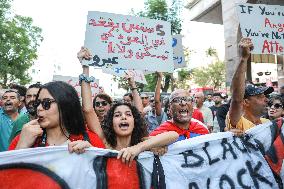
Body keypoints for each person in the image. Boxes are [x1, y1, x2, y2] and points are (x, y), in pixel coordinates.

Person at [9, 81, 104, 151]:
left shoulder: (90, 140)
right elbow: (6, 176)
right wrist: (22, 147)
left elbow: (106, 175)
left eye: (46, 103)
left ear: (66, 105)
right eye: (38, 103)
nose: (39, 108)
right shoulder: (25, 137)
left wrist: (92, 155)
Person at [226, 38, 273, 135]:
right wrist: (243, 59)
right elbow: (237, 99)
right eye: (260, 97)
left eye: (265, 96)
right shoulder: (238, 122)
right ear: (246, 102)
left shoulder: (268, 124)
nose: (267, 100)